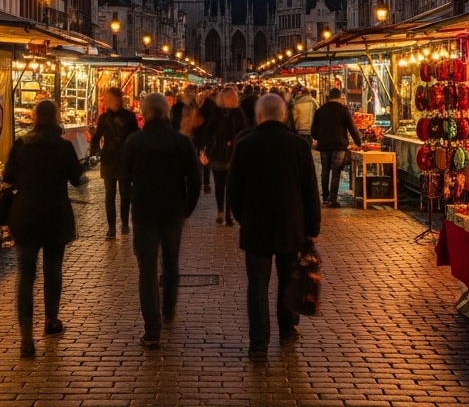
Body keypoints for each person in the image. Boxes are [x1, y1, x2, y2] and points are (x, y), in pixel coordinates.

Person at [227, 94, 322, 359]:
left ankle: (259, 342)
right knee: (288, 280)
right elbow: (310, 191)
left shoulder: (245, 145)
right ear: (284, 115)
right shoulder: (298, 146)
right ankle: (287, 328)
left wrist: (243, 217)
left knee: (257, 284)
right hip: (291, 226)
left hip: (256, 226)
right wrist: (312, 226)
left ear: (259, 116)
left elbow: (233, 190)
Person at [4, 100, 87, 358]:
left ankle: (26, 335)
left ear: (34, 117)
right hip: (55, 214)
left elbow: (8, 178)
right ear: (56, 117)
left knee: (26, 275)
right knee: (53, 269)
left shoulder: (20, 145)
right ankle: (51, 319)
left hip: (25, 215)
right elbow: (77, 179)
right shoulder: (64, 147)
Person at [120, 92, 201, 347]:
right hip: (172, 210)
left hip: (144, 211)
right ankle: (168, 310)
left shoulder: (135, 141)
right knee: (171, 262)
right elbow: (195, 178)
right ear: (166, 112)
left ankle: (152, 329)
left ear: (145, 112)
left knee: (147, 269)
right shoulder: (181, 141)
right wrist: (187, 208)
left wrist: (131, 200)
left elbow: (123, 176)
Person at [91, 87, 140, 240]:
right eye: (106, 99)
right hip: (108, 159)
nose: (107, 102)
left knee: (125, 193)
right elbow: (98, 136)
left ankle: (125, 222)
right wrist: (94, 151)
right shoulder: (103, 118)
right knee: (109, 194)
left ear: (118, 99)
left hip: (125, 158)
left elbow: (135, 137)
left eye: (109, 99)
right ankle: (111, 227)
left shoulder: (129, 117)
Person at [204, 87, 249, 226]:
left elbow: (243, 133)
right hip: (221, 154)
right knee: (221, 185)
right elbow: (208, 133)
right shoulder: (218, 114)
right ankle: (222, 212)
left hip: (230, 154)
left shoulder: (235, 114)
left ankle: (226, 213)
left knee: (226, 185)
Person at [311, 88, 362, 206]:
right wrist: (359, 142)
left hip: (324, 146)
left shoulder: (320, 111)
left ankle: (324, 197)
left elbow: (313, 131)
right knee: (336, 170)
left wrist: (319, 137)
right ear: (339, 97)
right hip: (339, 146)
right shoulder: (343, 110)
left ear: (329, 96)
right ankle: (333, 199)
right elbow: (352, 128)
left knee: (325, 170)